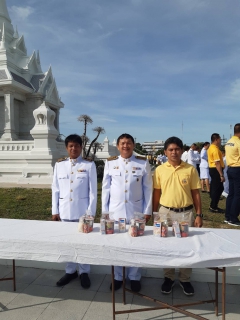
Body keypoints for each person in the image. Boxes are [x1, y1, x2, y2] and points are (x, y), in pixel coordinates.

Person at [102, 133, 152, 292]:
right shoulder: (110, 163)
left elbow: (148, 189)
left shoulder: (143, 163)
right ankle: (118, 276)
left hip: (135, 211)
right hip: (115, 212)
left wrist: (147, 210)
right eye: (122, 143)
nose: (125, 146)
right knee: (116, 245)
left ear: (133, 145)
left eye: (129, 143)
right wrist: (105, 211)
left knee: (136, 245)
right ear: (118, 146)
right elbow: (106, 189)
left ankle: (134, 277)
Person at [153, 136, 202, 296]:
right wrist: (155, 214)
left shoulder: (190, 169)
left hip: (185, 214)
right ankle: (168, 278)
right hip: (165, 212)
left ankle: (185, 279)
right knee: (166, 246)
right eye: (171, 149)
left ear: (182, 150)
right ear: (165, 152)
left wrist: (199, 214)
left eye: (177, 149)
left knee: (186, 248)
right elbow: (157, 192)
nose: (174, 152)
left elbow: (196, 193)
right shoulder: (160, 169)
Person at [52, 134, 97, 288]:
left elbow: (92, 192)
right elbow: (55, 189)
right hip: (64, 211)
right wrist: (54, 210)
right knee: (68, 243)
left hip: (82, 212)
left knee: (83, 243)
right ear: (67, 148)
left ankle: (84, 272)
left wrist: (90, 212)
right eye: (71, 146)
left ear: (81, 147)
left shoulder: (89, 165)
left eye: (77, 146)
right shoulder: (59, 165)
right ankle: (70, 271)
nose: (74, 148)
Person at [225, 124, 240, 226]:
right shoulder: (238, 142)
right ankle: (233, 218)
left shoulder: (228, 142)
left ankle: (228, 216)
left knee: (231, 194)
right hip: (238, 168)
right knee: (238, 195)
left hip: (230, 168)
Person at [207, 133, 225, 213]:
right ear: (216, 139)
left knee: (217, 188)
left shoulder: (211, 147)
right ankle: (213, 206)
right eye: (220, 139)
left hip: (213, 169)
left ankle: (213, 205)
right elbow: (217, 163)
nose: (221, 140)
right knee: (218, 188)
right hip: (216, 170)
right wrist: (221, 175)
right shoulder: (215, 149)